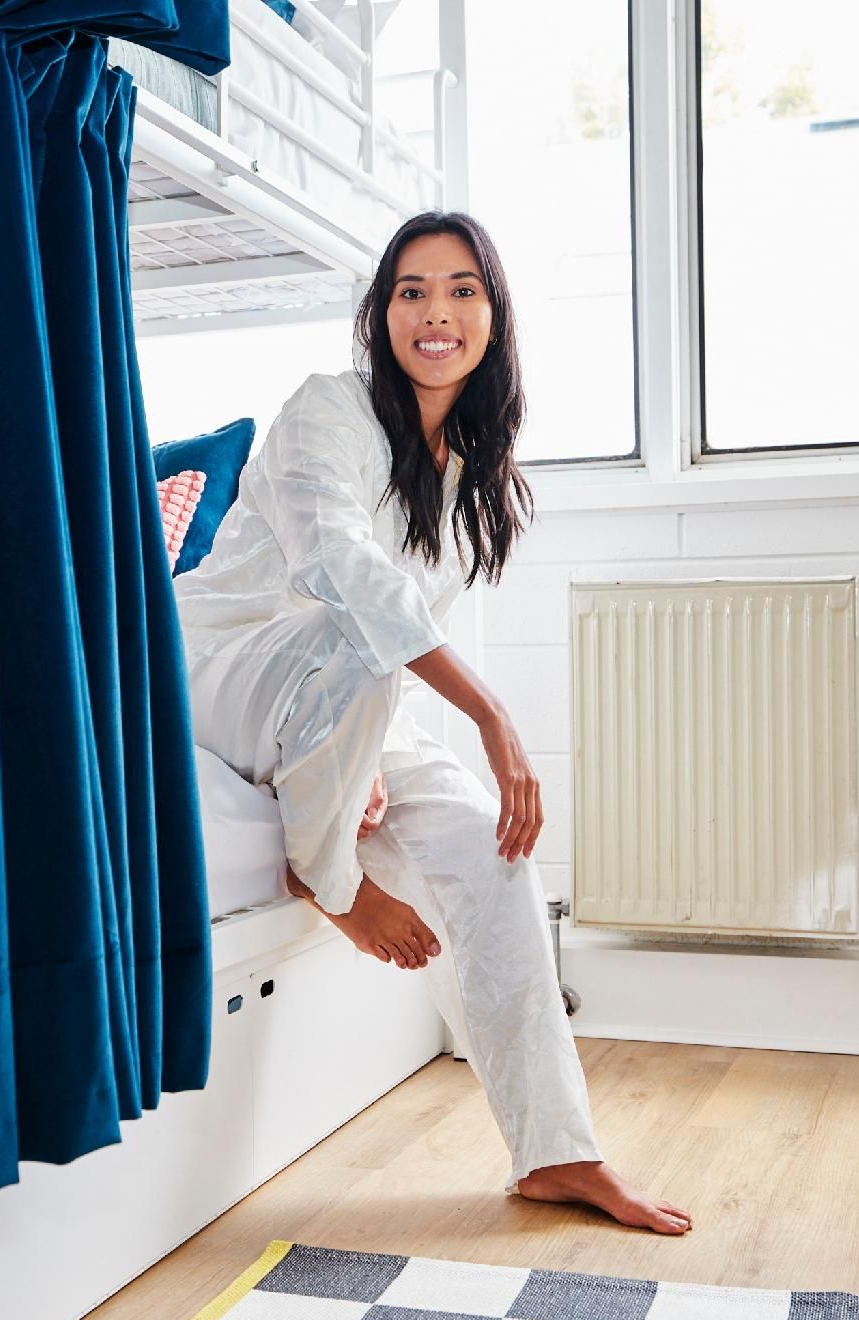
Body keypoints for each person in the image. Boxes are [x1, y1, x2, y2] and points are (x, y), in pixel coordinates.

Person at [173, 210, 692, 1235]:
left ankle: (557, 1151)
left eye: (460, 289)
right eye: (410, 289)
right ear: (380, 313)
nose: (434, 311)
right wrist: (491, 715)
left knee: (492, 852)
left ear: (491, 317)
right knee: (360, 640)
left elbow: (379, 662)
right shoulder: (325, 410)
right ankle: (322, 876)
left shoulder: (469, 478)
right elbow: (343, 578)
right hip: (220, 673)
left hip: (339, 695)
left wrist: (359, 750)